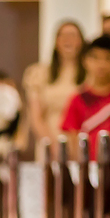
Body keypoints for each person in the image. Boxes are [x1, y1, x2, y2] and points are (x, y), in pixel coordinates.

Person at [60, 35, 110, 160]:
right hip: (86, 169)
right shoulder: (77, 99)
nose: (101, 64)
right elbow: (72, 138)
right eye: (95, 58)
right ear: (85, 61)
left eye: (107, 58)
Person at [23, 20, 85, 151]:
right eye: (63, 35)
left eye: (73, 35)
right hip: (50, 142)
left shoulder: (90, 75)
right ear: (56, 42)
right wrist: (53, 147)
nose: (68, 39)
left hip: (83, 143)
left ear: (81, 41)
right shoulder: (39, 73)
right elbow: (36, 117)